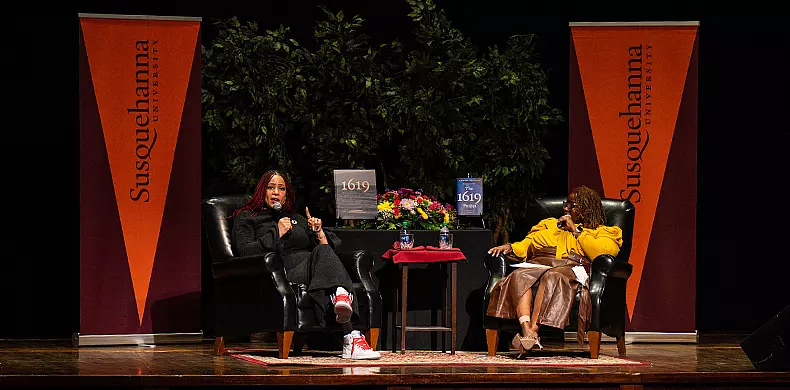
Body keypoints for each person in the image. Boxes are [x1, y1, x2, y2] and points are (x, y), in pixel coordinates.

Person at [231, 170, 381, 360]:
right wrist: (276, 232)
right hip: (284, 274)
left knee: (322, 250)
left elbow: (329, 251)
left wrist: (318, 233)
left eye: (281, 188)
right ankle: (343, 303)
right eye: (271, 187)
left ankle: (348, 328)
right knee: (321, 254)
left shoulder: (298, 219)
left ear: (287, 194)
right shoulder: (247, 217)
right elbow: (244, 252)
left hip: (313, 269)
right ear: (262, 191)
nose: (276, 192)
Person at [486, 185, 623, 355]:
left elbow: (602, 253)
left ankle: (531, 333)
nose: (566, 208)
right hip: (539, 264)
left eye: (572, 205)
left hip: (571, 267)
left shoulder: (601, 232)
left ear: (586, 208)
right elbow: (527, 244)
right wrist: (510, 247)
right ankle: (528, 332)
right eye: (566, 204)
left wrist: (575, 230)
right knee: (519, 275)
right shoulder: (549, 225)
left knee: (552, 276)